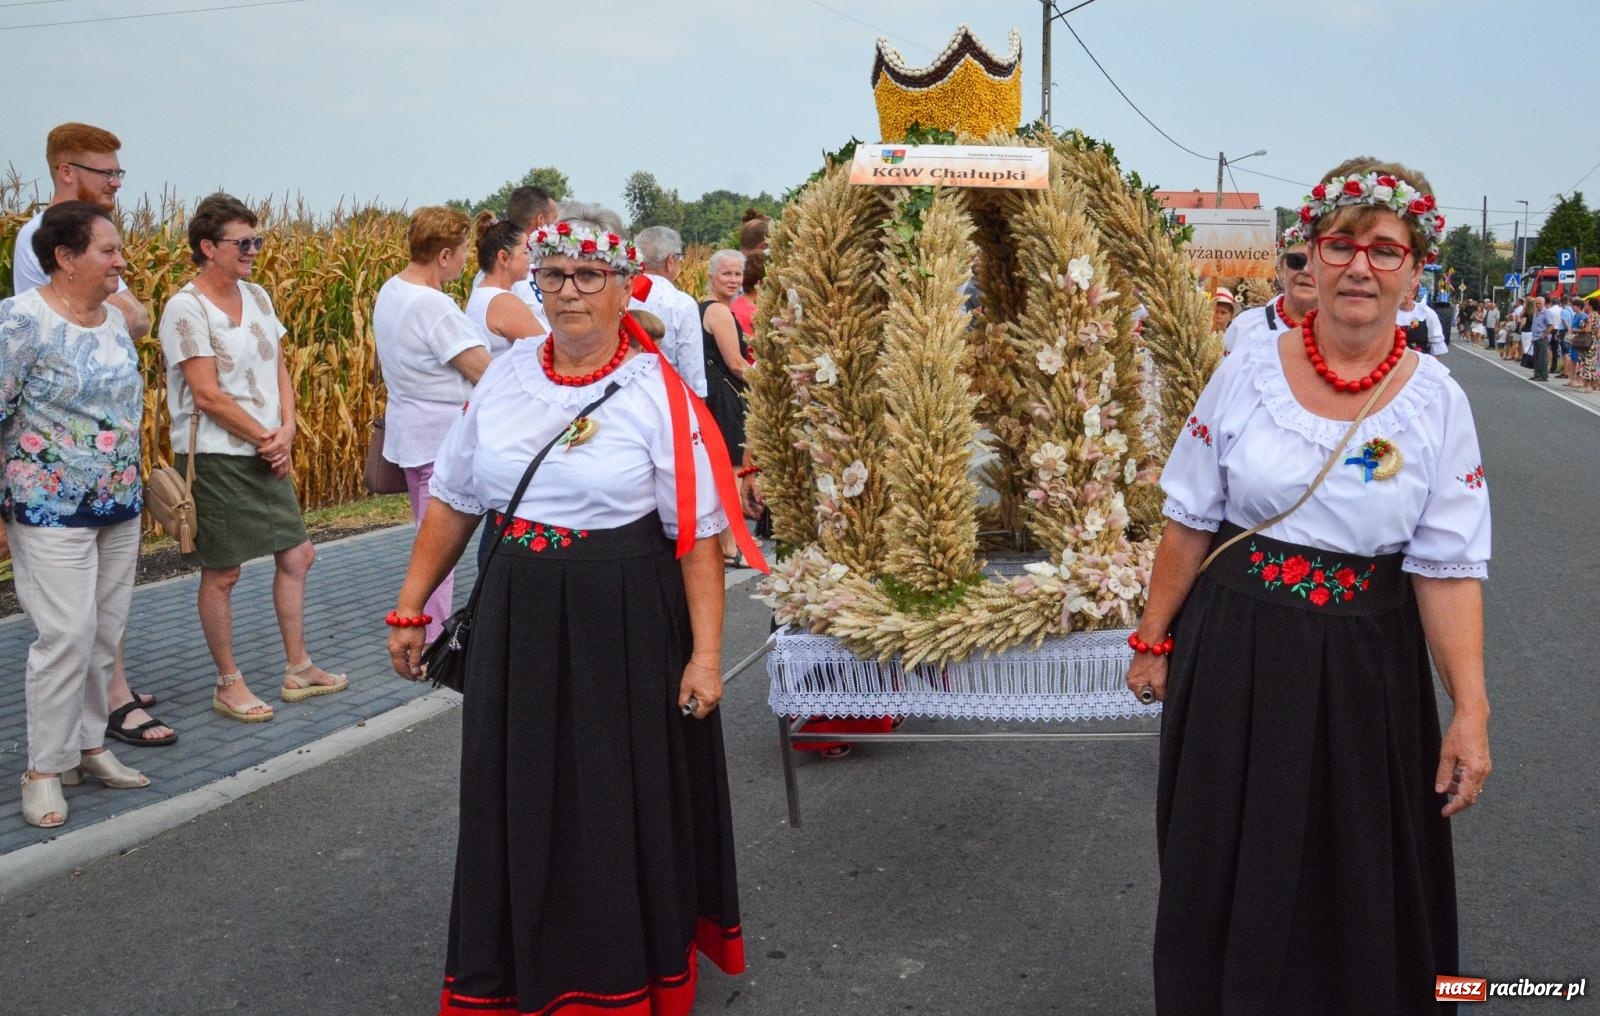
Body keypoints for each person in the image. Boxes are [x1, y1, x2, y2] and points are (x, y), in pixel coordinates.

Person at [1129, 158, 1490, 1014]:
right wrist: (1151, 638)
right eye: (1340, 246)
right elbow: (1190, 516)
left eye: (1385, 250)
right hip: (1236, 651)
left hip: (1368, 665)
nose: (1360, 267)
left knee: (1359, 862)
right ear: (1312, 257)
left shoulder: (1438, 403)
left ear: (1414, 271)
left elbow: (1447, 569)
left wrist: (1470, 711)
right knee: (1222, 852)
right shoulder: (1246, 370)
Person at [386, 204, 761, 1016]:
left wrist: (705, 656)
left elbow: (697, 536)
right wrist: (410, 608)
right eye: (553, 275)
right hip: (517, 613)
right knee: (517, 793)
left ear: (625, 288)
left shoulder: (658, 393)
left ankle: (619, 977)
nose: (568, 292)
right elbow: (454, 497)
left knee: (612, 800)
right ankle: (518, 972)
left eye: (588, 276)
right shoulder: (507, 376)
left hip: (621, 618)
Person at [158, 192, 348, 724]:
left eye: (256, 241)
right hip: (219, 456)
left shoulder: (258, 295)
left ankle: (298, 667)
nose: (253, 251)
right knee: (223, 572)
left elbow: (279, 367)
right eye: (242, 243)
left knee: (298, 555)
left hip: (267, 448)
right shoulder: (186, 308)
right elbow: (206, 394)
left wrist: (287, 428)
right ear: (207, 247)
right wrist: (268, 438)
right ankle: (228, 683)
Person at [11, 121, 172, 747]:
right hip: (53, 483)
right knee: (69, 630)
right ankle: (61, 752)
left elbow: (136, 320)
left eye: (118, 172)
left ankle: (93, 732)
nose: (116, 183)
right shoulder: (43, 241)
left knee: (101, 622)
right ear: (66, 171)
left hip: (110, 487)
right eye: (106, 172)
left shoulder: (97, 254)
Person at [2, 201, 151, 827]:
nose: (120, 260)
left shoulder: (113, 320)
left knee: (102, 633)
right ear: (65, 258)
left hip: (119, 503)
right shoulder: (21, 321)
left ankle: (90, 748)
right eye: (107, 251)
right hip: (48, 507)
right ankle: (44, 769)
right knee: (64, 635)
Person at [373, 206, 491, 643]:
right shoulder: (433, 305)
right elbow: (483, 370)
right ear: (444, 255)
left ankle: (427, 631)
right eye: (463, 251)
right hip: (441, 438)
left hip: (410, 432)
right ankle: (431, 637)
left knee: (428, 535)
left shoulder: (392, 289)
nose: (465, 260)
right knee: (438, 546)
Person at [699, 250, 752, 568]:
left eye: (737, 274)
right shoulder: (718, 312)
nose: (733, 280)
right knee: (733, 470)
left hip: (713, 394)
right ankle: (731, 544)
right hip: (726, 396)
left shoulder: (701, 307)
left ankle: (726, 541)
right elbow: (735, 363)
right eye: (726, 274)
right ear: (712, 276)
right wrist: (768, 382)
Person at [630, 225, 706, 396]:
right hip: (666, 395)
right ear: (670, 261)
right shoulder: (681, 303)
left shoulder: (620, 295)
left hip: (620, 395)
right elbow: (691, 369)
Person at [1221, 229, 1317, 356]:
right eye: (1297, 261)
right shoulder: (1246, 325)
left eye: (1316, 263)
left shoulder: (1340, 331)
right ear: (1281, 267)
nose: (1306, 270)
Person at [465, 211, 544, 357]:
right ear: (504, 258)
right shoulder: (504, 302)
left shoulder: (483, 294)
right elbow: (547, 351)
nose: (529, 259)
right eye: (525, 252)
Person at [1397, 281, 1446, 354]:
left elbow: (1436, 342)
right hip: (1393, 359)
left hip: (1420, 357)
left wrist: (1429, 361)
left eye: (1405, 291)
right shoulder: (1388, 312)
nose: (1401, 294)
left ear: (1413, 293)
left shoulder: (1426, 312)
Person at [1530, 296, 1557, 381]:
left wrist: (1544, 334)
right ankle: (1537, 374)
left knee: (1543, 357)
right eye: (1536, 303)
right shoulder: (1536, 313)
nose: (1538, 305)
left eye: (1539, 303)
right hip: (1535, 337)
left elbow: (1551, 325)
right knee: (1536, 357)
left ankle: (1543, 375)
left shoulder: (1546, 313)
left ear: (1543, 304)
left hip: (1542, 337)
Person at [1577, 297, 1600, 391]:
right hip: (1592, 342)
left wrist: (1577, 330)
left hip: (1588, 342)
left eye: (1586, 304)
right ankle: (1593, 384)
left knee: (1587, 363)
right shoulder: (1595, 315)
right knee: (1591, 363)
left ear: (1590, 305)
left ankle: (1587, 386)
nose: (1584, 306)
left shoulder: (1592, 315)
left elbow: (1588, 329)